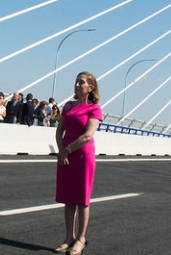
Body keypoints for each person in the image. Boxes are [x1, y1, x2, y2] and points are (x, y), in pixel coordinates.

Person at [54, 72, 102, 255]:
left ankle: (81, 239)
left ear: (90, 87)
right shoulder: (68, 106)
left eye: (81, 82)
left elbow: (88, 135)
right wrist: (61, 152)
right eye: (75, 81)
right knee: (68, 199)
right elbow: (59, 132)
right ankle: (69, 237)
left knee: (82, 200)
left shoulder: (94, 109)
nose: (76, 84)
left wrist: (68, 150)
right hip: (66, 155)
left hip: (82, 156)